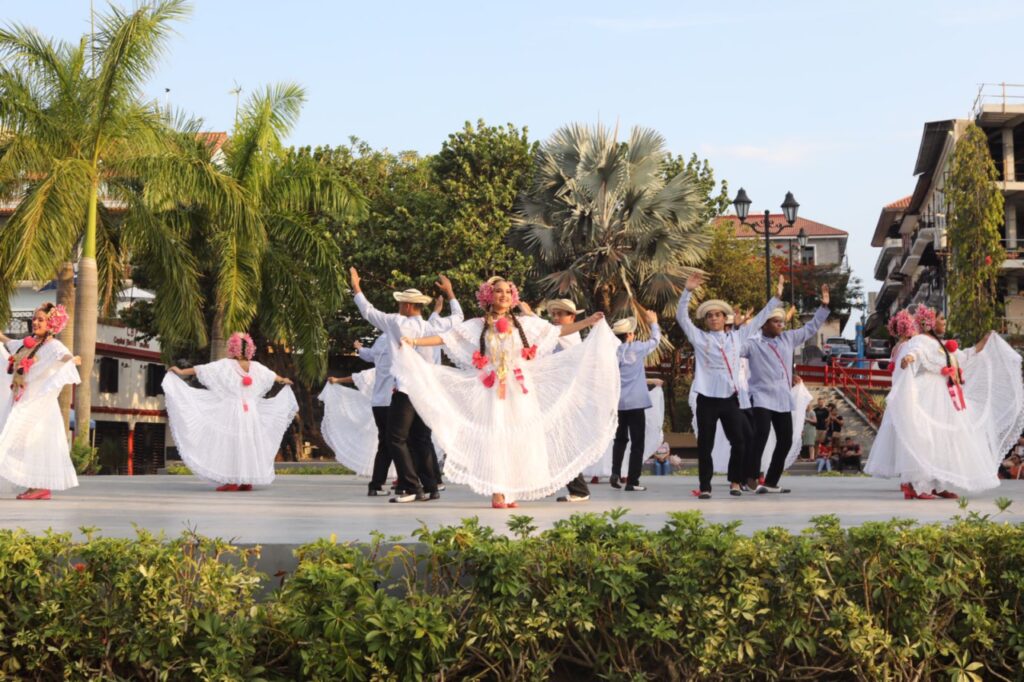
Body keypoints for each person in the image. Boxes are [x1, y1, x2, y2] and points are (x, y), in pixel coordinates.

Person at [392, 277, 618, 508]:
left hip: (520, 390)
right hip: (492, 390)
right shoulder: (478, 324)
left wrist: (589, 321)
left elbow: (557, 331)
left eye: (508, 292)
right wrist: (414, 341)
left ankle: (510, 490)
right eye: (499, 291)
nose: (504, 295)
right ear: (488, 296)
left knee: (519, 439)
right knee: (497, 437)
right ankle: (498, 491)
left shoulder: (524, 324)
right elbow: (446, 338)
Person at [884, 304, 1024, 498]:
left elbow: (964, 356)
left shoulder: (941, 345)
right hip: (929, 394)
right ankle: (918, 485)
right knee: (928, 438)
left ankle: (937, 484)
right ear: (930, 323)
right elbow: (915, 352)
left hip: (944, 395)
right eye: (942, 319)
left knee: (944, 440)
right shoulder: (921, 340)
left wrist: (984, 341)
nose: (944, 323)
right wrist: (909, 358)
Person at [350, 269, 464, 503]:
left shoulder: (396, 323)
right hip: (428, 391)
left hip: (406, 390)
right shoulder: (432, 327)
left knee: (395, 438)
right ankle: (431, 486)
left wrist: (357, 288)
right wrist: (451, 293)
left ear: (409, 306)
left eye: (402, 303)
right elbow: (459, 319)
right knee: (420, 439)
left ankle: (411, 486)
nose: (399, 306)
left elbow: (368, 311)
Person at [676, 272, 784, 498]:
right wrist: (687, 292)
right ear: (705, 321)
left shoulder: (737, 337)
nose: (714, 318)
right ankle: (705, 487)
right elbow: (682, 318)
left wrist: (776, 298)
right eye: (709, 316)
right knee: (705, 445)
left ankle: (735, 482)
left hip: (730, 398)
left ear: (724, 318)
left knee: (741, 440)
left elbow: (759, 319)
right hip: (706, 398)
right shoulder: (699, 337)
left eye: (717, 315)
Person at [163, 332, 298, 491]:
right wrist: (284, 380)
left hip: (233, 410)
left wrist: (181, 372)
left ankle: (233, 480)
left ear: (233, 348)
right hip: (250, 412)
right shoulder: (256, 367)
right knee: (247, 443)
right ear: (250, 349)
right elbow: (273, 376)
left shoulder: (226, 365)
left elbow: (202, 370)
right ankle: (246, 480)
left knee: (232, 444)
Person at [741, 284, 830, 493]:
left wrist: (824, 306)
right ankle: (751, 476)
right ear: (764, 324)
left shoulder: (788, 338)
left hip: (782, 397)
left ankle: (771, 482)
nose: (780, 324)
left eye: (782, 321)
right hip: (761, 396)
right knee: (760, 434)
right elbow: (735, 347)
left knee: (786, 440)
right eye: (775, 321)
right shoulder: (753, 343)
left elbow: (811, 328)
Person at [0, 303, 82, 500]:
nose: (35, 323)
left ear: (51, 324)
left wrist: (72, 359)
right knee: (20, 441)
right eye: (34, 319)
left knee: (33, 442)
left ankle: (40, 486)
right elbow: (9, 342)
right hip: (22, 400)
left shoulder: (53, 346)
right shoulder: (27, 344)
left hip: (38, 403)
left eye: (41, 320)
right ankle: (34, 485)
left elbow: (64, 356)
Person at [544, 298, 593, 503]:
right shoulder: (560, 336)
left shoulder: (570, 334)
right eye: (554, 314)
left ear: (572, 317)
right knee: (553, 441)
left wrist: (526, 313)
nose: (556, 318)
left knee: (561, 443)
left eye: (561, 314)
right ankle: (553, 483)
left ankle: (579, 489)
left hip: (567, 399)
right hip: (558, 396)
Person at [609, 309, 662, 492]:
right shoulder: (637, 348)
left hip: (619, 403)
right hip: (636, 402)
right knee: (637, 443)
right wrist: (653, 323)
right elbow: (655, 341)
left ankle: (615, 472)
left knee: (620, 439)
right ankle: (633, 480)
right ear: (630, 334)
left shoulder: (612, 353)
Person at [864, 308, 918, 482]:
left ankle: (905, 476)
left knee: (897, 434)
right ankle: (907, 476)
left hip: (896, 391)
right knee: (907, 436)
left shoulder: (896, 347)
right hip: (905, 392)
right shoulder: (907, 347)